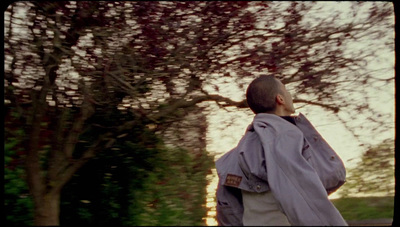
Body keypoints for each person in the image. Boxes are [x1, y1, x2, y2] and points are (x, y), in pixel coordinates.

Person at [215, 75, 347, 226]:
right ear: (280, 99)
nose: (290, 94)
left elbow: (228, 213)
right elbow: (302, 196)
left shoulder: (233, 157)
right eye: (286, 90)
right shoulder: (284, 137)